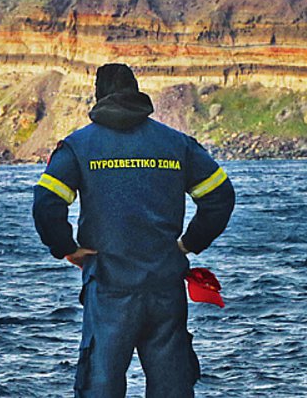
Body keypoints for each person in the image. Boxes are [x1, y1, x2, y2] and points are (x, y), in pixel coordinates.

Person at [32, 63, 235, 398]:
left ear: (99, 95)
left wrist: (66, 248)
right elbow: (220, 197)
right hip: (164, 284)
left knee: (101, 384)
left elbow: (46, 205)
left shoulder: (79, 147)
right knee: (172, 386)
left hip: (109, 285)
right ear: (137, 91)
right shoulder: (176, 144)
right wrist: (189, 243)